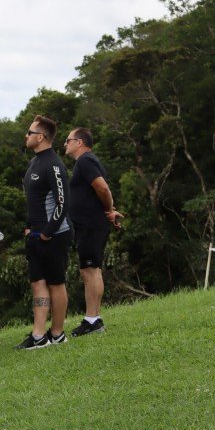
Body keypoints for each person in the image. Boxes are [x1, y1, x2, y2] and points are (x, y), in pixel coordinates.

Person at [17, 115, 72, 350]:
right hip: (35, 235)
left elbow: (63, 201)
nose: (26, 136)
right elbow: (35, 201)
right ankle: (39, 336)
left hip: (55, 235)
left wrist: (48, 232)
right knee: (38, 283)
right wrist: (30, 228)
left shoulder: (54, 164)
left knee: (56, 283)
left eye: (29, 133)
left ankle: (57, 333)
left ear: (40, 137)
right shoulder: (34, 163)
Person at [64, 127, 124, 336]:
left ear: (79, 142)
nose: (65, 144)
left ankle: (93, 320)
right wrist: (110, 211)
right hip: (89, 224)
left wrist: (109, 210)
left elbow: (103, 188)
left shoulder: (85, 161)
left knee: (90, 270)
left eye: (68, 140)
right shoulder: (87, 162)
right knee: (90, 270)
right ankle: (93, 319)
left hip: (91, 224)